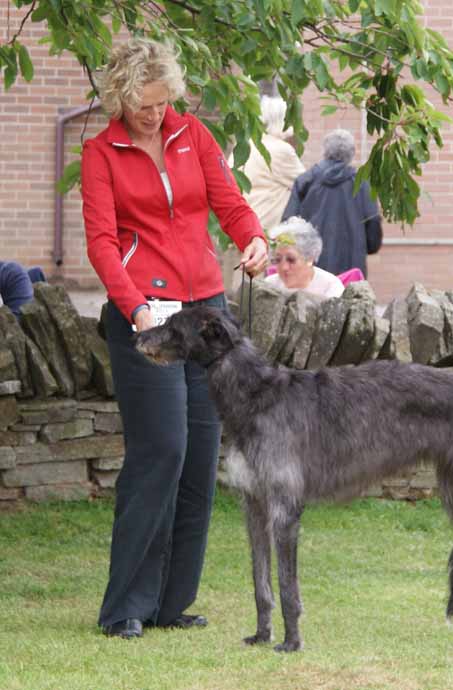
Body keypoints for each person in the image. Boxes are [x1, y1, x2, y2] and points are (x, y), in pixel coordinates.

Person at [80, 38, 268, 640]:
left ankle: (171, 603)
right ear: (120, 94)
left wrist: (253, 239)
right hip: (147, 319)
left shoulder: (195, 136)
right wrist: (134, 308)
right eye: (143, 104)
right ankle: (125, 607)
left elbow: (230, 205)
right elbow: (102, 244)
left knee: (198, 458)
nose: (155, 114)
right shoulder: (100, 154)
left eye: (163, 103)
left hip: (206, 315)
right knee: (161, 450)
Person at [282, 128, 383, 278]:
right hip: (352, 267)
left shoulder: (305, 181)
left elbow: (289, 223)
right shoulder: (362, 184)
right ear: (352, 153)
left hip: (313, 266)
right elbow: (373, 222)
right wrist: (368, 247)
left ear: (325, 151)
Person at [235, 95, 305, 232]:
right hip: (267, 232)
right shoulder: (282, 150)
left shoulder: (244, 147)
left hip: (242, 228)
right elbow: (306, 186)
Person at [265, 216, 344, 298]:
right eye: (278, 260)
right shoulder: (269, 285)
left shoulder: (330, 287)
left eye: (291, 260)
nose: (284, 267)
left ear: (310, 258)